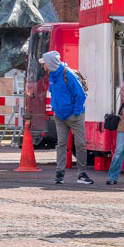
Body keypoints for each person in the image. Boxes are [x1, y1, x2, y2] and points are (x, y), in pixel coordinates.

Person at [40, 51, 93, 185]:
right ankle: (60, 174)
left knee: (80, 144)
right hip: (60, 115)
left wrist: (75, 112)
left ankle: (81, 173)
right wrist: (56, 109)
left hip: (73, 115)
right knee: (62, 144)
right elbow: (53, 93)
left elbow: (81, 95)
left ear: (50, 64)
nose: (43, 66)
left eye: (44, 63)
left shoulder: (68, 74)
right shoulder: (53, 75)